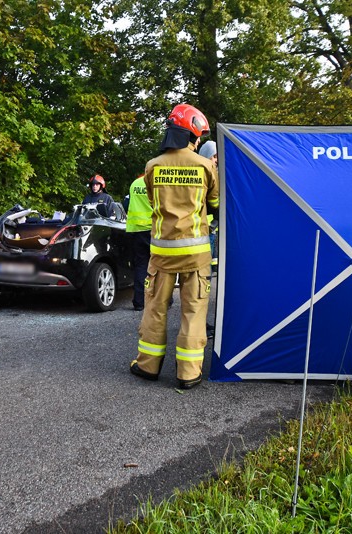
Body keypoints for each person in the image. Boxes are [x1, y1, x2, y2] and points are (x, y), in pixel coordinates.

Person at [130, 103, 219, 389]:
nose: (200, 141)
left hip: (162, 252)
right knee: (193, 312)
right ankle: (189, 374)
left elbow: (156, 203)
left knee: (155, 308)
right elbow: (216, 206)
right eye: (199, 136)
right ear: (191, 133)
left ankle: (148, 366)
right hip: (196, 253)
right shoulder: (205, 166)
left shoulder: (152, 167)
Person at [198, 140, 220, 339]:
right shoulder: (206, 175)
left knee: (205, 282)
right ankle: (200, 325)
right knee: (201, 283)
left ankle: (201, 323)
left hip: (208, 232)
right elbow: (215, 203)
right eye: (214, 157)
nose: (216, 161)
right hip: (203, 234)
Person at [125, 174, 151, 311]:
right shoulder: (155, 181)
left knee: (141, 267)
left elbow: (126, 204)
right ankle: (165, 300)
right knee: (160, 268)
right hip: (155, 230)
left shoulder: (135, 184)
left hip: (137, 231)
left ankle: (139, 302)